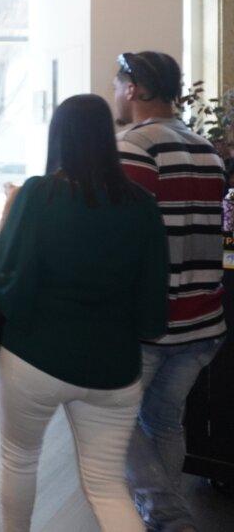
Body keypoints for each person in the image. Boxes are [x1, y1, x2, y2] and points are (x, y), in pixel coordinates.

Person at [0, 94, 168, 532]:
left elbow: (4, 275)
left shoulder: (37, 194)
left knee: (19, 460)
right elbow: (153, 307)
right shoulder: (142, 204)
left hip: (35, 357)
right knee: (107, 485)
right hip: (114, 366)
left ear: (59, 136)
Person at [114, 51, 227, 531]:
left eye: (117, 84)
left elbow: (119, 241)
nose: (114, 94)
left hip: (152, 324)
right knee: (163, 422)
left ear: (135, 89)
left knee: (112, 424)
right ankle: (160, 517)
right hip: (204, 322)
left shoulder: (134, 149)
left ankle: (168, 517)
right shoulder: (206, 148)